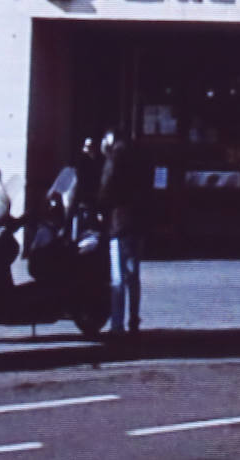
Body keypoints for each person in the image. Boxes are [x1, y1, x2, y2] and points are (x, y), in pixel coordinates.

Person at [98, 128, 147, 335]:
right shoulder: (139, 157)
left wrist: (100, 207)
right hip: (137, 221)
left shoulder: (114, 158)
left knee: (117, 277)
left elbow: (105, 188)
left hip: (118, 222)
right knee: (133, 275)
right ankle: (134, 318)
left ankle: (117, 324)